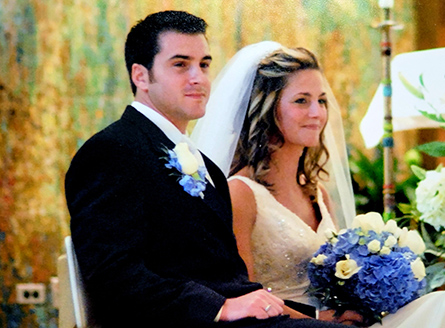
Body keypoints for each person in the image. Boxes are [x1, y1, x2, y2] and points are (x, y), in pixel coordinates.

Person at [65, 11, 349, 328]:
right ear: (140, 76)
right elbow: (111, 275)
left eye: (203, 64)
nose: (198, 78)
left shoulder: (207, 167)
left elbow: (230, 278)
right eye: (180, 64)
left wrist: (316, 316)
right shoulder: (112, 151)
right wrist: (219, 308)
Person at [191, 41, 445, 327]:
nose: (317, 113)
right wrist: (317, 317)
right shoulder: (240, 193)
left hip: (338, 321)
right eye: (302, 101)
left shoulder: (317, 192)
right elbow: (245, 296)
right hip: (289, 325)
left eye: (321, 100)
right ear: (268, 110)